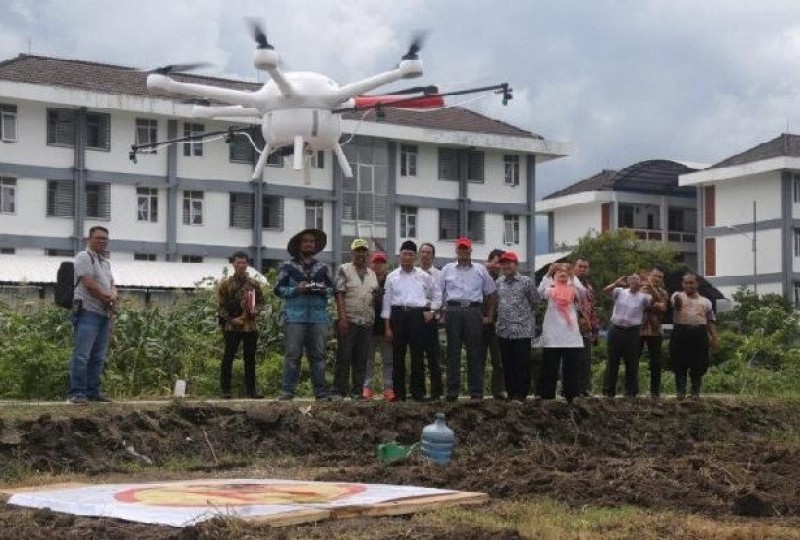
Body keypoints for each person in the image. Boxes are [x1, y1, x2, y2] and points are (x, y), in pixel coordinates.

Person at [275, 228, 333, 401]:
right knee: (292, 356)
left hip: (318, 318)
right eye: (306, 241)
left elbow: (332, 290)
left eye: (312, 241)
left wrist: (323, 289)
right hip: (294, 317)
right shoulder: (287, 267)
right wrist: (295, 289)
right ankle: (287, 392)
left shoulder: (323, 268)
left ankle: (321, 393)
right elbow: (278, 289)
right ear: (299, 245)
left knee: (319, 357)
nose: (309, 244)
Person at [439, 237, 497, 401]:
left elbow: (492, 293)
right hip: (453, 311)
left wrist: (490, 316)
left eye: (466, 249)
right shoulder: (447, 269)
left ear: (471, 251)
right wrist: (441, 313)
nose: (463, 252)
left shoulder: (480, 269)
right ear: (456, 251)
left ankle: (476, 393)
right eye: (460, 249)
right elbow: (439, 293)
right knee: (453, 353)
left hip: (473, 311)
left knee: (475, 353)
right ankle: (452, 393)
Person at [382, 240, 441, 401]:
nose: (407, 257)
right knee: (398, 356)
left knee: (417, 356)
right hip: (398, 316)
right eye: (404, 254)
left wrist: (432, 310)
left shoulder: (424, 276)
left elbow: (437, 294)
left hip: (418, 316)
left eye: (410, 254)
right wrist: (387, 327)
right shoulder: (391, 276)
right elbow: (386, 303)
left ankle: (418, 393)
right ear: (399, 256)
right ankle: (399, 394)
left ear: (415, 257)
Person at [67, 226, 118, 404]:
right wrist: (107, 297)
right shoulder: (84, 257)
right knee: (82, 355)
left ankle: (92, 392)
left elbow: (112, 283)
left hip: (103, 313)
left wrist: (113, 294)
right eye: (99, 238)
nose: (102, 241)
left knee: (98, 356)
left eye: (105, 238)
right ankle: (77, 393)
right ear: (90, 239)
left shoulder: (105, 262)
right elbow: (89, 284)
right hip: (87, 311)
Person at [333, 239, 379, 400]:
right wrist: (342, 319)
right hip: (349, 320)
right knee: (344, 356)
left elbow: (374, 296)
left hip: (366, 321)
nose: (360, 254)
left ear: (367, 253)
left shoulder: (372, 273)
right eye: (357, 251)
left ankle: (357, 392)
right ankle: (339, 391)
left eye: (363, 251)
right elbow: (339, 293)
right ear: (352, 253)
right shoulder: (343, 269)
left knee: (361, 359)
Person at [217, 251, 265, 399]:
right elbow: (220, 306)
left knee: (250, 358)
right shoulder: (225, 284)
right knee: (228, 357)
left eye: (244, 262)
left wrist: (255, 311)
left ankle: (251, 391)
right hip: (232, 326)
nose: (241, 265)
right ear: (233, 264)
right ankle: (226, 390)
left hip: (250, 326)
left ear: (247, 264)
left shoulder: (253, 283)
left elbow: (261, 302)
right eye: (238, 262)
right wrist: (232, 320)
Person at [537, 263, 584, 402]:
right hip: (553, 334)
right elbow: (538, 293)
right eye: (559, 272)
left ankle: (570, 395)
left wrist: (572, 274)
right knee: (549, 367)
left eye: (565, 272)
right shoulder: (550, 289)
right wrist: (548, 273)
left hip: (570, 334)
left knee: (571, 367)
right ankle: (547, 395)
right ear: (554, 276)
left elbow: (583, 292)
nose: (562, 273)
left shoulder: (573, 289)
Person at [495, 251, 538, 402]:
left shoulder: (526, 282)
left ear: (516, 265)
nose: (506, 266)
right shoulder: (499, 282)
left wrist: (523, 318)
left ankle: (521, 395)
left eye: (509, 263)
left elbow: (535, 301)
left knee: (522, 364)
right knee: (507, 364)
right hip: (504, 330)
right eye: (503, 263)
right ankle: (511, 393)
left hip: (522, 330)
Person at [602, 274, 654, 398]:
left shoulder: (644, 297)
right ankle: (608, 391)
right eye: (632, 279)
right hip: (616, 329)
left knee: (632, 362)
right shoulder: (620, 292)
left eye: (637, 280)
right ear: (628, 281)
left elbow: (654, 301)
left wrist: (650, 285)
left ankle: (631, 392)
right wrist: (616, 282)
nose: (634, 282)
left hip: (632, 331)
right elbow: (605, 291)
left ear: (640, 283)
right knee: (612, 360)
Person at [670, 272, 719, 399]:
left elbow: (710, 321)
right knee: (679, 363)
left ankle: (695, 393)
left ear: (697, 284)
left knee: (698, 364)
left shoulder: (706, 301)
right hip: (680, 332)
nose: (688, 285)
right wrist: (679, 300)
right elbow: (676, 304)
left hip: (699, 334)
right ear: (682, 284)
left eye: (691, 283)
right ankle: (680, 392)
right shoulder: (677, 296)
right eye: (686, 283)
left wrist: (714, 338)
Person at [363, 251, 395, 401]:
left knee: (388, 360)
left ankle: (388, 389)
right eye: (376, 263)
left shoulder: (392, 280)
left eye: (381, 263)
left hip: (386, 327)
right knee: (368, 359)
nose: (378, 266)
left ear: (385, 265)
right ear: (372, 264)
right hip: (369, 325)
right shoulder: (367, 279)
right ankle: (367, 388)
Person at [417, 242, 444, 400]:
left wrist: (434, 312)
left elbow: (441, 296)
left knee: (434, 356)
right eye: (423, 252)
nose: (426, 255)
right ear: (419, 254)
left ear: (433, 256)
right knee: (417, 356)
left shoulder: (439, 274)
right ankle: (419, 392)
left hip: (432, 315)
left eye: (429, 252)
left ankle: (436, 392)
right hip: (415, 316)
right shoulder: (413, 272)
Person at [480, 249, 507, 400]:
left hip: (498, 324)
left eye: (502, 263)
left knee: (499, 360)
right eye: (497, 262)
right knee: (479, 358)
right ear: (490, 261)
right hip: (481, 323)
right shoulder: (480, 276)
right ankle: (477, 390)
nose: (499, 266)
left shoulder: (504, 280)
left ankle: (499, 390)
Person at [639, 267, 668, 400]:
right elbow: (640, 305)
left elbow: (663, 306)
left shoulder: (663, 292)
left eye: (660, 277)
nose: (657, 279)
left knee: (656, 363)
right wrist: (655, 305)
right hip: (638, 330)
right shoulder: (638, 290)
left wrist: (652, 290)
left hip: (655, 331)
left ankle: (655, 392)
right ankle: (632, 390)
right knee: (633, 361)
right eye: (655, 276)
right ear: (649, 275)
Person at [573, 258, 599, 396]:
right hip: (571, 329)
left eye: (585, 267)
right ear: (574, 267)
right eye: (580, 266)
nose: (582, 269)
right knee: (572, 360)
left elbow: (593, 309)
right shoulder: (570, 284)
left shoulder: (589, 288)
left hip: (586, 329)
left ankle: (583, 389)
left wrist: (595, 329)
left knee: (585, 360)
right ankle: (571, 389)